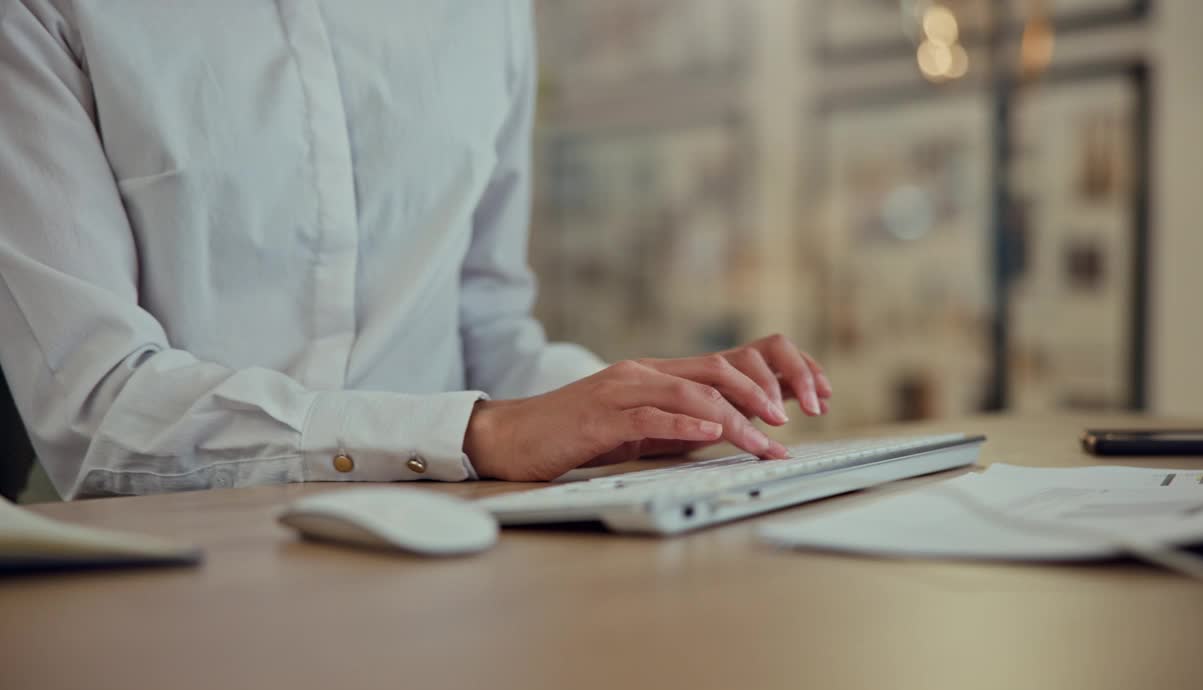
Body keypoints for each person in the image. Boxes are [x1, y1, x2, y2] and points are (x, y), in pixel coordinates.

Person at [0, 0, 832, 500]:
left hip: (458, 566)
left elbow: (486, 328)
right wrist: (475, 435)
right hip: (173, 593)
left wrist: (657, 409)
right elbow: (97, 413)